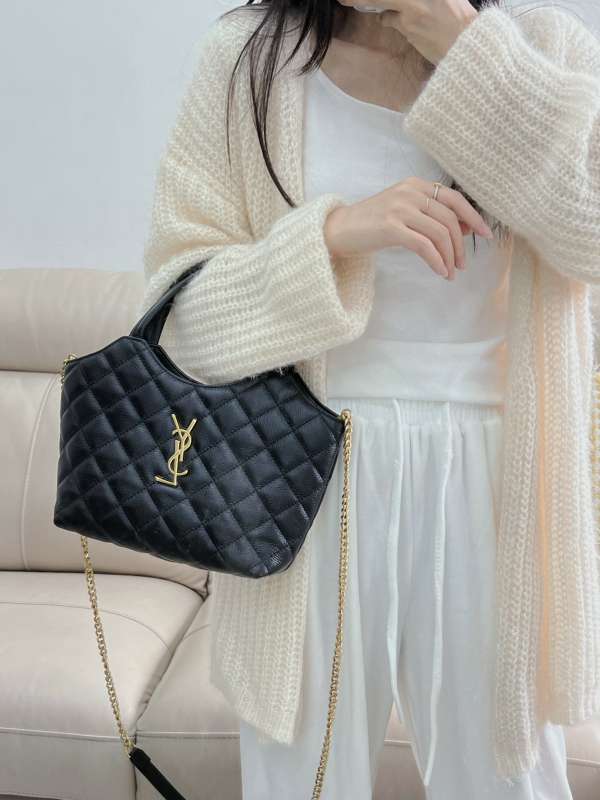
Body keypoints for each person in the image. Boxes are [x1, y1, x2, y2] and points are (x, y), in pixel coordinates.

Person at [140, 0, 600, 797]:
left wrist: (459, 41)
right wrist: (333, 235)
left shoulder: (546, 48)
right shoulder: (249, 59)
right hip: (299, 477)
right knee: (302, 784)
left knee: (512, 784)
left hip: (499, 482)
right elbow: (182, 326)